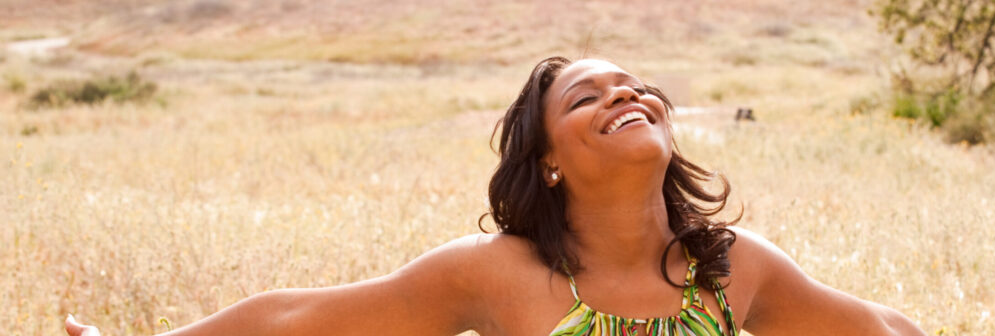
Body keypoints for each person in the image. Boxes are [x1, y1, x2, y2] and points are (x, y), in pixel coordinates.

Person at [66, 57, 926, 336]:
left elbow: (888, 332)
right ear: (547, 162)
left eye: (631, 88)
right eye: (587, 99)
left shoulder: (740, 270)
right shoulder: (495, 275)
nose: (623, 98)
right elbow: (292, 320)